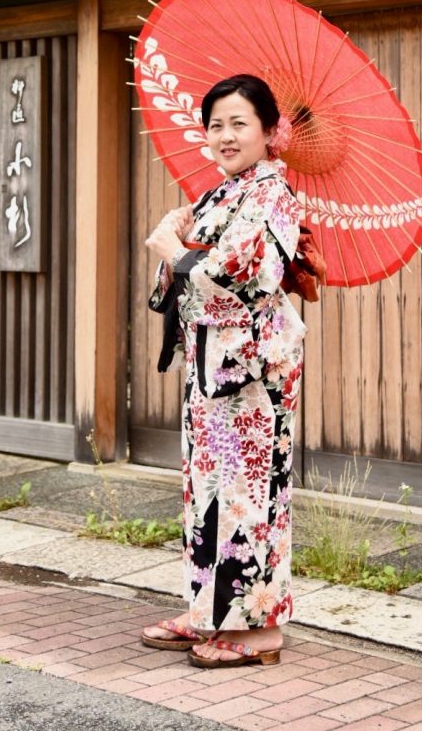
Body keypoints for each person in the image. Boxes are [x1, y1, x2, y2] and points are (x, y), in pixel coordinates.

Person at [140, 74, 306, 669]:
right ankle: (208, 610)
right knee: (207, 493)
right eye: (215, 125)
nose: (226, 136)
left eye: (240, 123)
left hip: (252, 373)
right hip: (211, 367)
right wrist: (178, 241)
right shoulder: (222, 194)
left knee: (249, 496)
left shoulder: (271, 195)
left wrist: (175, 253)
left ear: (269, 131)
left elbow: (245, 282)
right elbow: (189, 279)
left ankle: (259, 629)